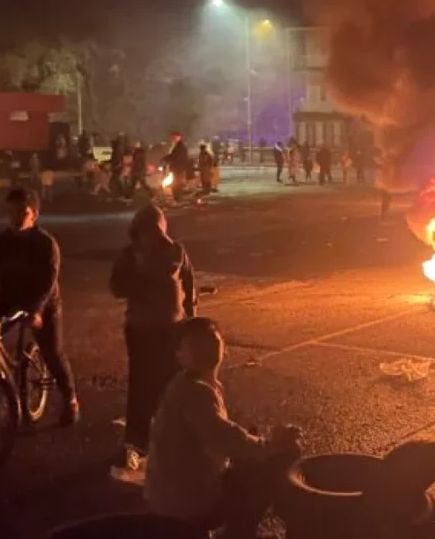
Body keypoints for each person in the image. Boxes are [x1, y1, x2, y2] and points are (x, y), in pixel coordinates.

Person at [146, 317, 301, 537]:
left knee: (258, 456)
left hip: (175, 497)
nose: (204, 348)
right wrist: (273, 444)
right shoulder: (194, 392)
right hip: (183, 506)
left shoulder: (192, 383)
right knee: (280, 459)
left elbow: (221, 440)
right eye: (194, 344)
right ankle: (238, 534)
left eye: (210, 339)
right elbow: (230, 441)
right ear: (180, 356)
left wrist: (258, 444)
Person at [0, 188, 79, 425]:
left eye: (20, 212)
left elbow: (48, 280)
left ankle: (71, 398)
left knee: (52, 352)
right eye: (10, 211)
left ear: (34, 214)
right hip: (11, 298)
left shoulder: (45, 244)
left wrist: (37, 310)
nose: (14, 217)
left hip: (42, 302)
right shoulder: (1, 242)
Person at [110, 203, 197, 469]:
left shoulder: (175, 251)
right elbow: (116, 287)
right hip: (140, 330)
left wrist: (191, 322)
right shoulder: (130, 255)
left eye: (153, 231)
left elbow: (189, 285)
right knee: (141, 386)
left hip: (171, 328)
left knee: (172, 383)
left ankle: (173, 436)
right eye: (143, 231)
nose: (148, 237)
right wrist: (141, 274)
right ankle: (136, 443)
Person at [164, 132, 190, 200]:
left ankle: (177, 198)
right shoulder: (179, 146)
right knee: (177, 183)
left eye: (174, 137)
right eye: (172, 138)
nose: (173, 139)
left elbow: (175, 156)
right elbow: (174, 155)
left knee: (177, 183)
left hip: (178, 167)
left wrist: (166, 158)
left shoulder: (180, 146)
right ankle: (177, 197)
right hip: (178, 167)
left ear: (179, 137)